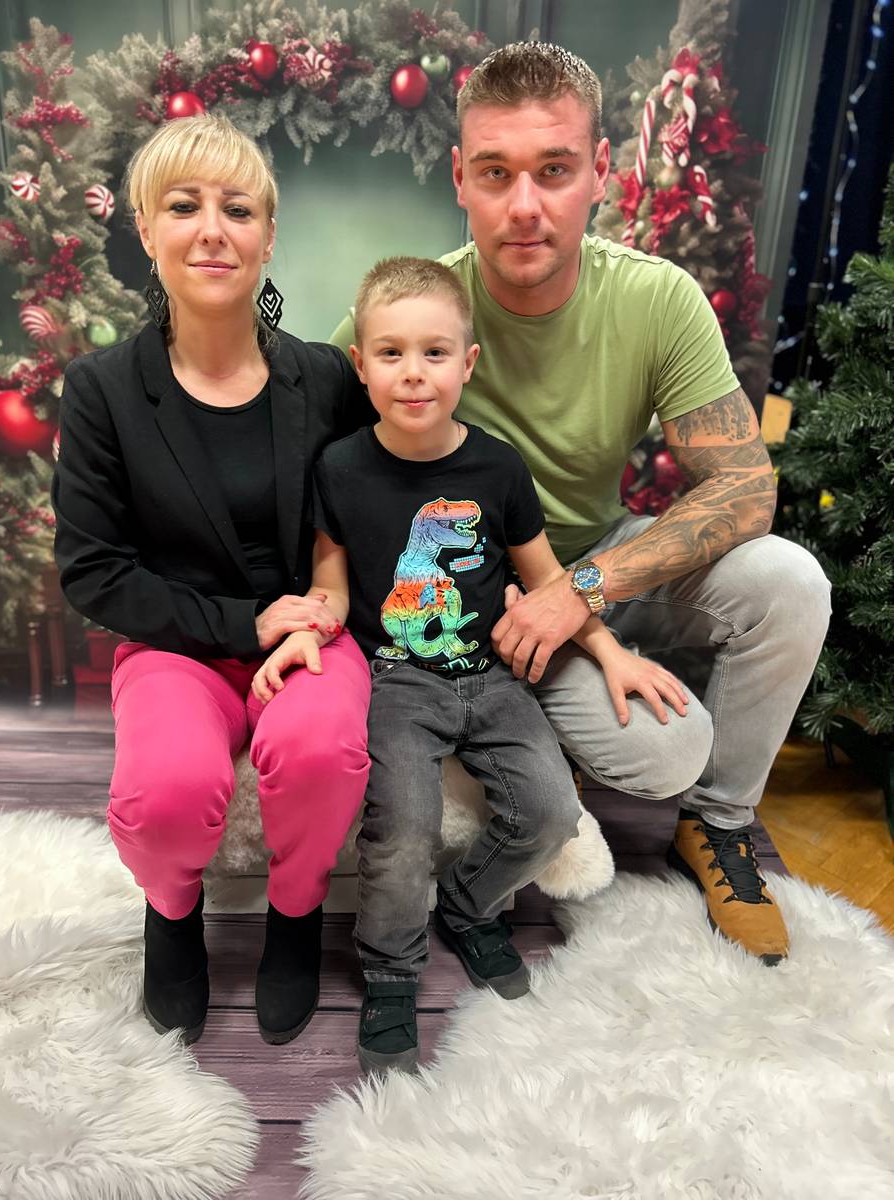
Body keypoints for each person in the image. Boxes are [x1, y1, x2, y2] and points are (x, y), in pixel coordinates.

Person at [330, 43, 832, 967]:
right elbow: (305, 460)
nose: (525, 205)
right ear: (461, 179)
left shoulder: (656, 298)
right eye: (496, 173)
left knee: (790, 582)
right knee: (661, 750)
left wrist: (581, 591)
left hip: (594, 563)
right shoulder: (417, 314)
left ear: (601, 171)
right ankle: (501, 748)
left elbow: (746, 485)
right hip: (471, 602)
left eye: (554, 170)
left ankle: (719, 825)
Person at [252, 256, 689, 1073]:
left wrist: (607, 649)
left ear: (468, 362)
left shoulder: (497, 466)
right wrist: (310, 625)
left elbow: (546, 577)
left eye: (434, 352)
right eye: (391, 353)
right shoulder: (339, 468)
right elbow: (330, 583)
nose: (413, 373)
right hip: (396, 680)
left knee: (550, 812)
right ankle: (391, 969)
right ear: (361, 364)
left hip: (490, 676)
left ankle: (467, 903)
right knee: (404, 828)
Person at [51, 115, 375, 1046]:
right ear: (147, 231)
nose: (211, 231)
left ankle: (296, 916)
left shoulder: (325, 379)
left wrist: (316, 617)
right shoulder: (104, 390)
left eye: (237, 209)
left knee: (319, 749)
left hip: (310, 635)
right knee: (164, 790)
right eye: (183, 207)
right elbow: (94, 571)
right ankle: (172, 917)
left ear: (268, 236)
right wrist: (244, 624)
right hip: (177, 643)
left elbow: (361, 521)